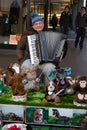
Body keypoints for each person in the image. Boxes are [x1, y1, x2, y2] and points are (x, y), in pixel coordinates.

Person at [16, 12, 67, 84]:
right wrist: (22, 59)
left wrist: (61, 53)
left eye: (40, 23)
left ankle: (49, 88)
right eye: (36, 24)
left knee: (50, 68)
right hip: (31, 61)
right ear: (32, 26)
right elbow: (20, 49)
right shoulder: (27, 35)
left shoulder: (50, 34)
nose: (38, 25)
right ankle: (28, 88)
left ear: (43, 24)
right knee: (25, 67)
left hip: (46, 62)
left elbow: (61, 46)